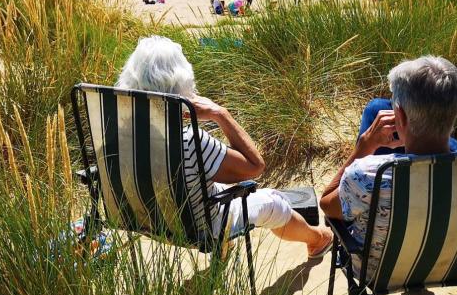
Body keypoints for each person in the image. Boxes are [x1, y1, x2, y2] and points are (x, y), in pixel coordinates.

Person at [116, 37, 333, 257]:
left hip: (143, 221)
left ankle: (224, 251)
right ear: (181, 82)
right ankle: (318, 239)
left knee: (211, 185)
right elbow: (255, 166)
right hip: (200, 229)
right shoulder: (188, 140)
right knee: (273, 202)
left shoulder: (117, 131)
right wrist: (220, 114)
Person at [319, 56, 457, 247]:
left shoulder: (368, 175)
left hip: (380, 274)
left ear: (399, 115)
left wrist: (363, 148)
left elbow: (327, 204)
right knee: (452, 146)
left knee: (375, 108)